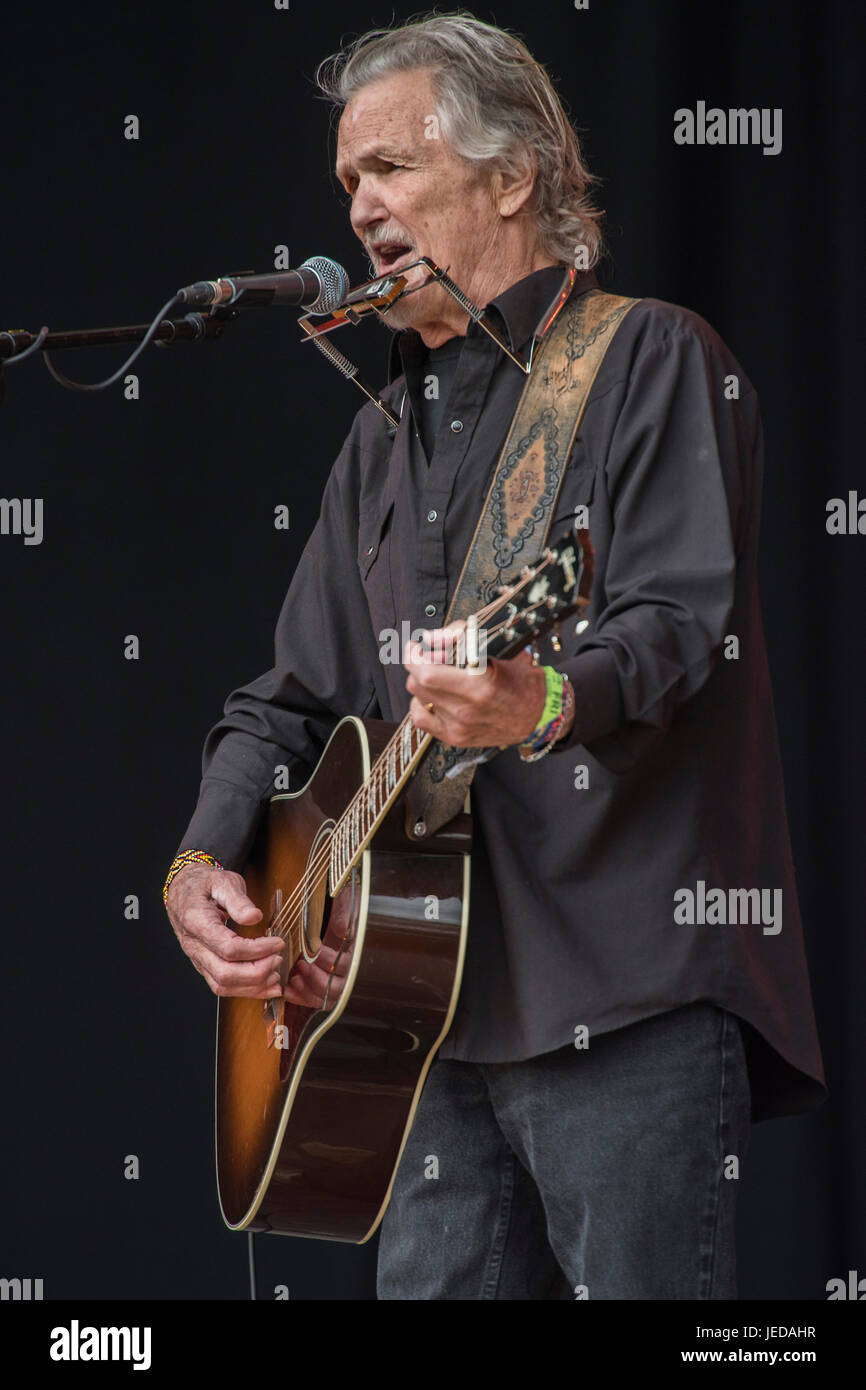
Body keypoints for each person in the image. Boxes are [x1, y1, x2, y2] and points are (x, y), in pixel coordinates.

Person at [164, 13, 826, 1299]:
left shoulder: (644, 358)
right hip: (407, 1018)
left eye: (389, 168)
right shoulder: (379, 442)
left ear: (512, 177)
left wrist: (545, 693)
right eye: (346, 179)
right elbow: (285, 702)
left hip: (618, 996)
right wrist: (204, 859)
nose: (358, 206)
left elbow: (681, 622)